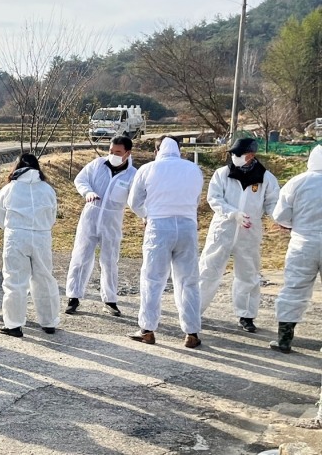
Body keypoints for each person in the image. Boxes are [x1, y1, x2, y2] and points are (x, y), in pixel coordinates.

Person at [127, 136, 204, 348]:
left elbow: (134, 201)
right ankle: (192, 332)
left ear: (156, 151)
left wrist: (146, 215)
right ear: (180, 150)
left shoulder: (148, 169)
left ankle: (147, 330)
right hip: (187, 227)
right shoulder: (194, 169)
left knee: (152, 279)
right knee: (188, 280)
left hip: (159, 227)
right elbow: (196, 200)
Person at [198, 138, 280, 333]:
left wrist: (279, 219)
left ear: (251, 155)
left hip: (249, 231)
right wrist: (233, 213)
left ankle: (246, 315)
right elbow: (214, 198)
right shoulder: (222, 174)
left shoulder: (265, 178)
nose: (234, 157)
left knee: (248, 273)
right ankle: (195, 309)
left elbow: (272, 203)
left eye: (238, 154)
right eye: (233, 154)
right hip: (223, 228)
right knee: (208, 269)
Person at [64, 136, 137, 316]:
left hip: (112, 221)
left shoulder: (133, 175)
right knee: (81, 256)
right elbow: (81, 180)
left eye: (118, 152)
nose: (113, 155)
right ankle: (73, 297)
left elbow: (137, 199)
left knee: (110, 260)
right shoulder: (97, 165)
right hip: (90, 216)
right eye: (111, 151)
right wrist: (87, 192)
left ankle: (110, 300)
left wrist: (145, 215)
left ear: (127, 153)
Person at [0, 153, 61, 338]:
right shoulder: (47, 189)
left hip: (16, 236)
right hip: (42, 236)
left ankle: (14, 324)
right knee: (44, 278)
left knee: (15, 280)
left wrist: (12, 227)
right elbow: (52, 216)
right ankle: (49, 322)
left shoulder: (9, 188)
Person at [269, 145, 322, 353]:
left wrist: (294, 225)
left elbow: (280, 215)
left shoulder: (298, 182)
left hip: (302, 243)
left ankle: (284, 339)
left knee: (293, 289)